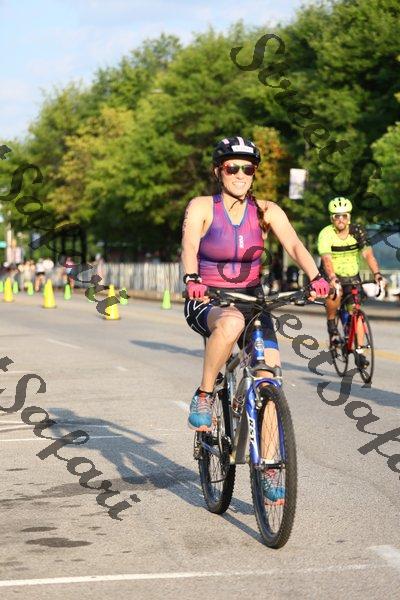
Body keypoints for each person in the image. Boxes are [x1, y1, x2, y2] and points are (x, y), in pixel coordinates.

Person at [181, 135, 329, 430]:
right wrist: (192, 278)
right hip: (208, 297)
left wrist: (316, 277)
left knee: (269, 377)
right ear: (218, 171)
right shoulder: (201, 207)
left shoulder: (266, 210)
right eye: (232, 168)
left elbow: (295, 245)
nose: (240, 175)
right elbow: (188, 246)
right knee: (232, 322)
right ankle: (204, 394)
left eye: (247, 169)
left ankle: (271, 457)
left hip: (252, 298)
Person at [317, 197, 384, 367]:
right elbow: (327, 259)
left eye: (344, 216)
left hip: (352, 275)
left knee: (356, 311)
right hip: (332, 274)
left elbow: (368, 255)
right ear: (332, 218)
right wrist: (333, 278)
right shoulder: (326, 234)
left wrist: (377, 274)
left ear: (349, 217)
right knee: (336, 293)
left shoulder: (358, 231)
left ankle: (360, 352)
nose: (341, 219)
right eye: (337, 216)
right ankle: (332, 325)